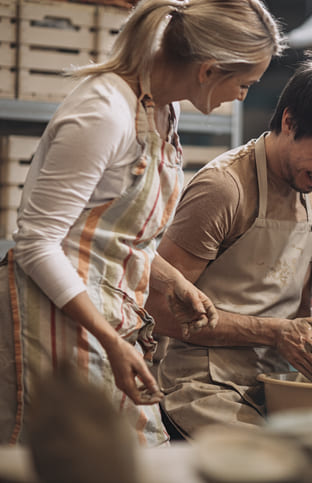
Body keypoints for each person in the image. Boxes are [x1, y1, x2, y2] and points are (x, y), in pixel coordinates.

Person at [0, 0, 283, 446]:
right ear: (208, 70)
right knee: (72, 462)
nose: (242, 96)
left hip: (109, 318)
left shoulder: (161, 110)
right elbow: (37, 243)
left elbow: (119, 236)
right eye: (243, 84)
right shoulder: (103, 112)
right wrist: (109, 341)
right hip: (55, 317)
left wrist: (174, 283)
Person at [145, 56, 312, 438]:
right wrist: (273, 332)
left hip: (275, 378)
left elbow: (295, 312)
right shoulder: (224, 189)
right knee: (276, 465)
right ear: (290, 123)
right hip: (203, 383)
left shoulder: (311, 191)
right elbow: (160, 311)